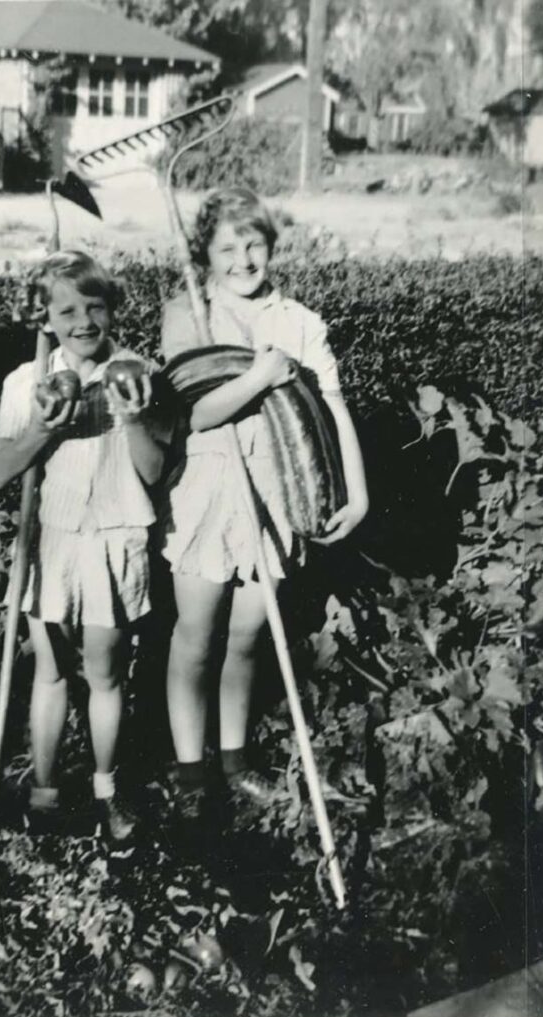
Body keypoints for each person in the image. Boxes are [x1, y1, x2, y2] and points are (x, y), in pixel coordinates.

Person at [160, 186, 369, 823]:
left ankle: (233, 761)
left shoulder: (298, 322)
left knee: (247, 636)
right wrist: (256, 378)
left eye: (253, 243)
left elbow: (333, 409)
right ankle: (190, 770)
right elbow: (192, 415)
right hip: (207, 492)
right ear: (205, 256)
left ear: (271, 245)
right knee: (196, 636)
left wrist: (357, 494)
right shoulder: (187, 314)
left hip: (275, 493)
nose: (242, 258)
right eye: (226, 247)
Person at [0, 249, 165, 841]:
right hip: (55, 539)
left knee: (106, 673)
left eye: (96, 307)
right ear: (45, 320)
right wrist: (42, 427)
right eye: (67, 310)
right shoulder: (27, 382)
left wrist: (135, 420)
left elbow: (154, 473)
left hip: (116, 537)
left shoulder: (140, 374)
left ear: (112, 309)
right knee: (50, 669)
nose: (84, 321)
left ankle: (106, 790)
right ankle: (43, 793)